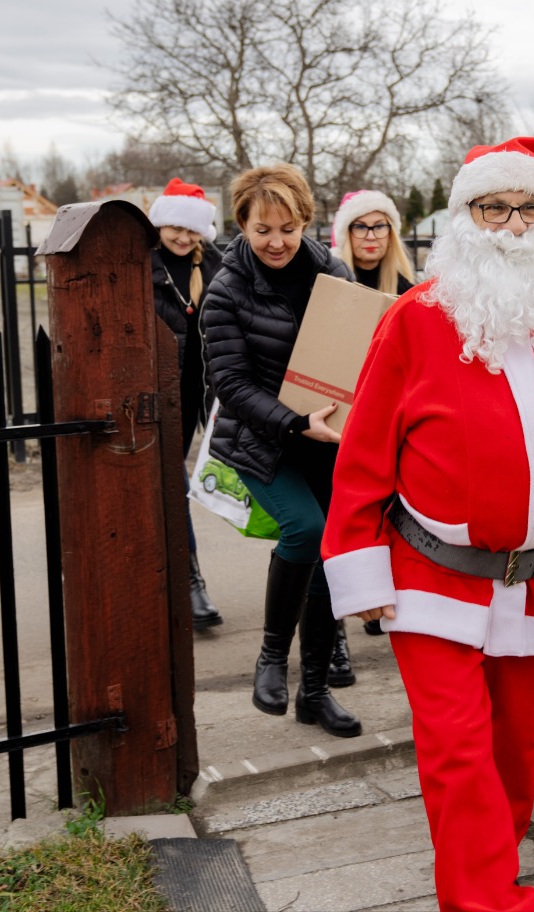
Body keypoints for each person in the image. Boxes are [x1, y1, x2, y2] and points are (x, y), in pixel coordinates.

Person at [321, 137, 534, 910]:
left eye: (528, 208)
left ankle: (491, 877)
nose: (511, 225)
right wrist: (358, 561)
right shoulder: (413, 321)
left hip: (533, 586)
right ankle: (484, 903)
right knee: (458, 756)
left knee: (513, 751)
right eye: (493, 207)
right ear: (463, 217)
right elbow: (364, 455)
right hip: (430, 579)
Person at [199, 163, 362, 738]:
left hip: (329, 439)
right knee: (307, 530)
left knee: (331, 556)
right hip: (264, 442)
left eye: (288, 228)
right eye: (262, 228)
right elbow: (232, 386)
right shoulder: (226, 289)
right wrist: (294, 423)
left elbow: (358, 347)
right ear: (241, 223)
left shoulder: (331, 271)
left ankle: (314, 693)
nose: (277, 241)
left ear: (304, 224)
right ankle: (271, 655)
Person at [324, 189, 417, 682]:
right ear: (346, 232)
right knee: (333, 519)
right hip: (333, 413)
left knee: (388, 508)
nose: (372, 237)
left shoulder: (407, 286)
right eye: (362, 226)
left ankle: (378, 597)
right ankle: (333, 632)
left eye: (381, 226)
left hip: (385, 414)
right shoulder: (331, 281)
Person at [148, 177, 224, 630]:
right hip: (159, 397)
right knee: (173, 492)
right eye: (175, 227)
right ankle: (190, 583)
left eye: (192, 230)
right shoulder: (143, 266)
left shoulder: (215, 266)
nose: (183, 237)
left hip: (203, 397)